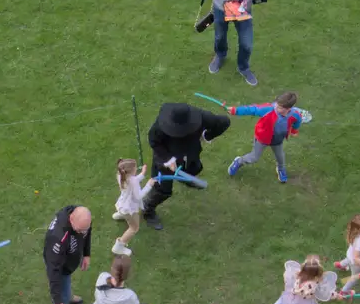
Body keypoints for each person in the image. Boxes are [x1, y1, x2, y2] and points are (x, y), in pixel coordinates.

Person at [141, 103, 232, 231]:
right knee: (162, 190)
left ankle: (185, 179)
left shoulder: (203, 117)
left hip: (189, 154)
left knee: (193, 169)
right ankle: (147, 210)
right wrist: (168, 159)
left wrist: (207, 136)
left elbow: (224, 122)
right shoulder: (161, 125)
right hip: (165, 160)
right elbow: (154, 141)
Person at [226, 91, 304, 183]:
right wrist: (236, 110)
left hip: (277, 140)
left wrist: (294, 131)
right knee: (254, 157)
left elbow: (297, 122)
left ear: (289, 108)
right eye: (278, 105)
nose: (277, 108)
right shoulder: (269, 109)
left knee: (280, 157)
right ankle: (239, 161)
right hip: (262, 138)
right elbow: (252, 109)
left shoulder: (295, 114)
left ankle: (281, 169)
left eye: (280, 107)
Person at [44, 204, 92, 304]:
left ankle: (68, 296)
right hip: (59, 266)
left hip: (68, 261)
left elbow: (87, 232)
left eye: (84, 229)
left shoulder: (82, 218)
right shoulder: (58, 238)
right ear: (71, 219)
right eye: (79, 230)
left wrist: (87, 253)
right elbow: (53, 272)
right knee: (61, 299)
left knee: (66, 286)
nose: (82, 233)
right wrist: (58, 302)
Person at [259, 254, 338, 304]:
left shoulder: (298, 274)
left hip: (292, 297)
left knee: (280, 301)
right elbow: (325, 292)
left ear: (303, 269)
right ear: (317, 272)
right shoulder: (315, 283)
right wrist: (335, 295)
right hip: (307, 301)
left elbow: (288, 276)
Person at [111, 158, 152, 256]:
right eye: (135, 168)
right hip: (129, 208)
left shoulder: (121, 175)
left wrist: (142, 174)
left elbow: (133, 180)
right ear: (131, 171)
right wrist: (149, 185)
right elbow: (138, 196)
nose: (136, 169)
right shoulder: (132, 181)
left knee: (124, 212)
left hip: (123, 204)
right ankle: (118, 247)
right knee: (134, 228)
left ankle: (121, 215)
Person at [335, 213, 360, 294]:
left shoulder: (357, 235)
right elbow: (356, 258)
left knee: (348, 260)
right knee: (355, 277)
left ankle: (340, 265)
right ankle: (344, 291)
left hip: (350, 256)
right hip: (356, 263)